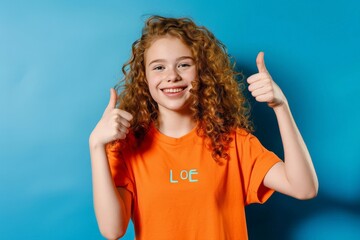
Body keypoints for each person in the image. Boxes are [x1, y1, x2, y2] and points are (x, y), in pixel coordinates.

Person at [89, 15, 318, 240]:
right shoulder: (128, 147)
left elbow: (304, 188)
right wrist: (96, 146)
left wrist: (281, 106)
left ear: (203, 72)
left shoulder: (233, 142)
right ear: (144, 78)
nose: (172, 76)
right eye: (159, 67)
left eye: (184, 64)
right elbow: (112, 231)